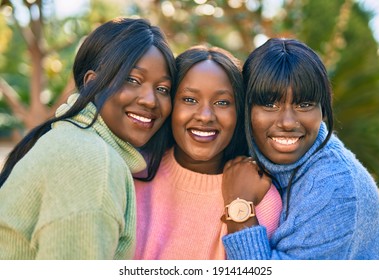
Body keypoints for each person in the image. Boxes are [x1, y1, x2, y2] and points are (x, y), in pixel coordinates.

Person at [0, 17, 176, 259]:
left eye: (163, 89)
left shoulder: (71, 140)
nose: (150, 100)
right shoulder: (91, 161)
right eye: (133, 80)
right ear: (92, 83)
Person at [221, 38, 379, 259]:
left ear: (322, 109)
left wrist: (239, 209)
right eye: (270, 104)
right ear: (246, 107)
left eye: (304, 104)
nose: (288, 122)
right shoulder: (243, 146)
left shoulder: (335, 188)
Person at [134, 45, 282, 260]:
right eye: (189, 100)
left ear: (239, 112)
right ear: (170, 105)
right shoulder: (134, 171)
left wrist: (239, 207)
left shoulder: (261, 196)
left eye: (222, 102)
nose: (205, 116)